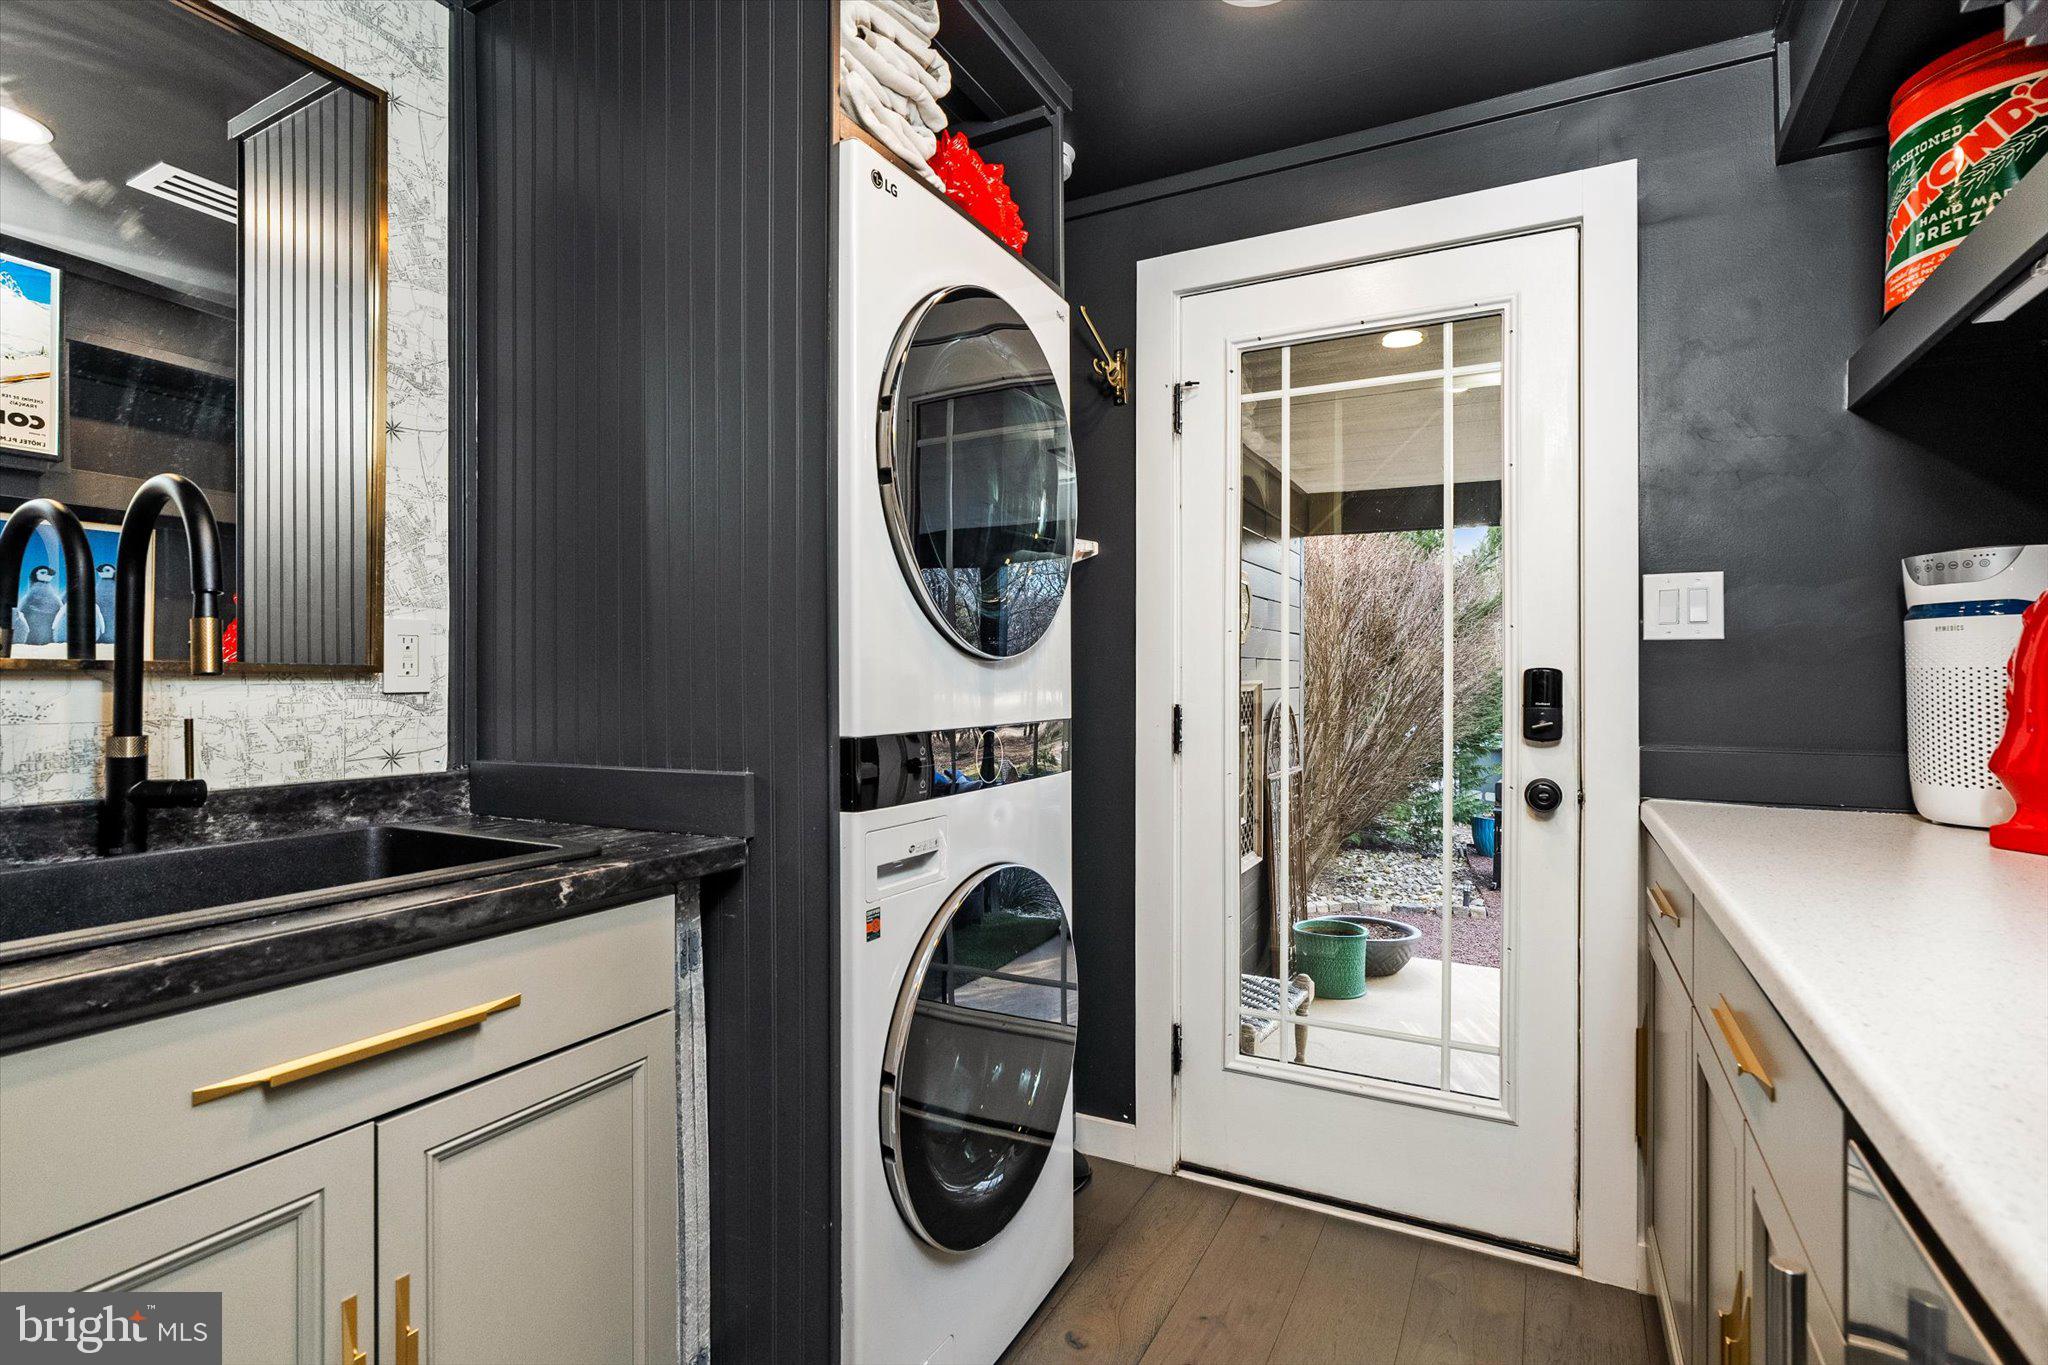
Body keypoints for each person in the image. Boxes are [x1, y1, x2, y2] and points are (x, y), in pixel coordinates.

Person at [17, 564, 61, 645]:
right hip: (30, 646)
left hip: (51, 646)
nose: (49, 574)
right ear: (35, 576)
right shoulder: (27, 599)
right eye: (43, 573)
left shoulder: (54, 598)